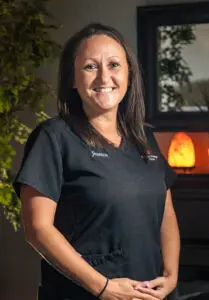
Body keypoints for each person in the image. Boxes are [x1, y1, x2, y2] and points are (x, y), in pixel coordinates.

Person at [13, 23, 180, 300]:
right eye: (90, 67)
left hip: (151, 294)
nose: (105, 77)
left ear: (129, 74)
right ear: (72, 79)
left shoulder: (144, 137)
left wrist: (171, 275)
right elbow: (38, 229)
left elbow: (166, 215)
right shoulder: (53, 138)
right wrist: (103, 287)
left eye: (114, 65)